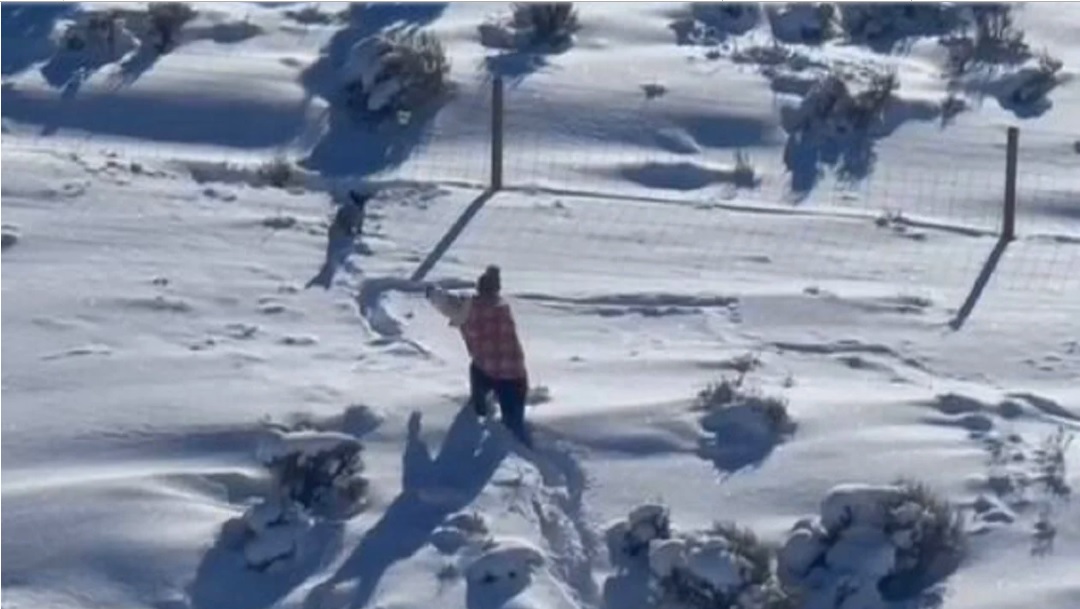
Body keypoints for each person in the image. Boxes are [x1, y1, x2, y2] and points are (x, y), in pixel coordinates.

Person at [425, 265, 532, 447]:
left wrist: (431, 292)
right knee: (515, 426)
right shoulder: (503, 306)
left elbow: (444, 301)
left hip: (488, 372)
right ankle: (526, 449)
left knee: (477, 371)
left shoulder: (467, 307)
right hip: (517, 375)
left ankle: (480, 409)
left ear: (478, 288)